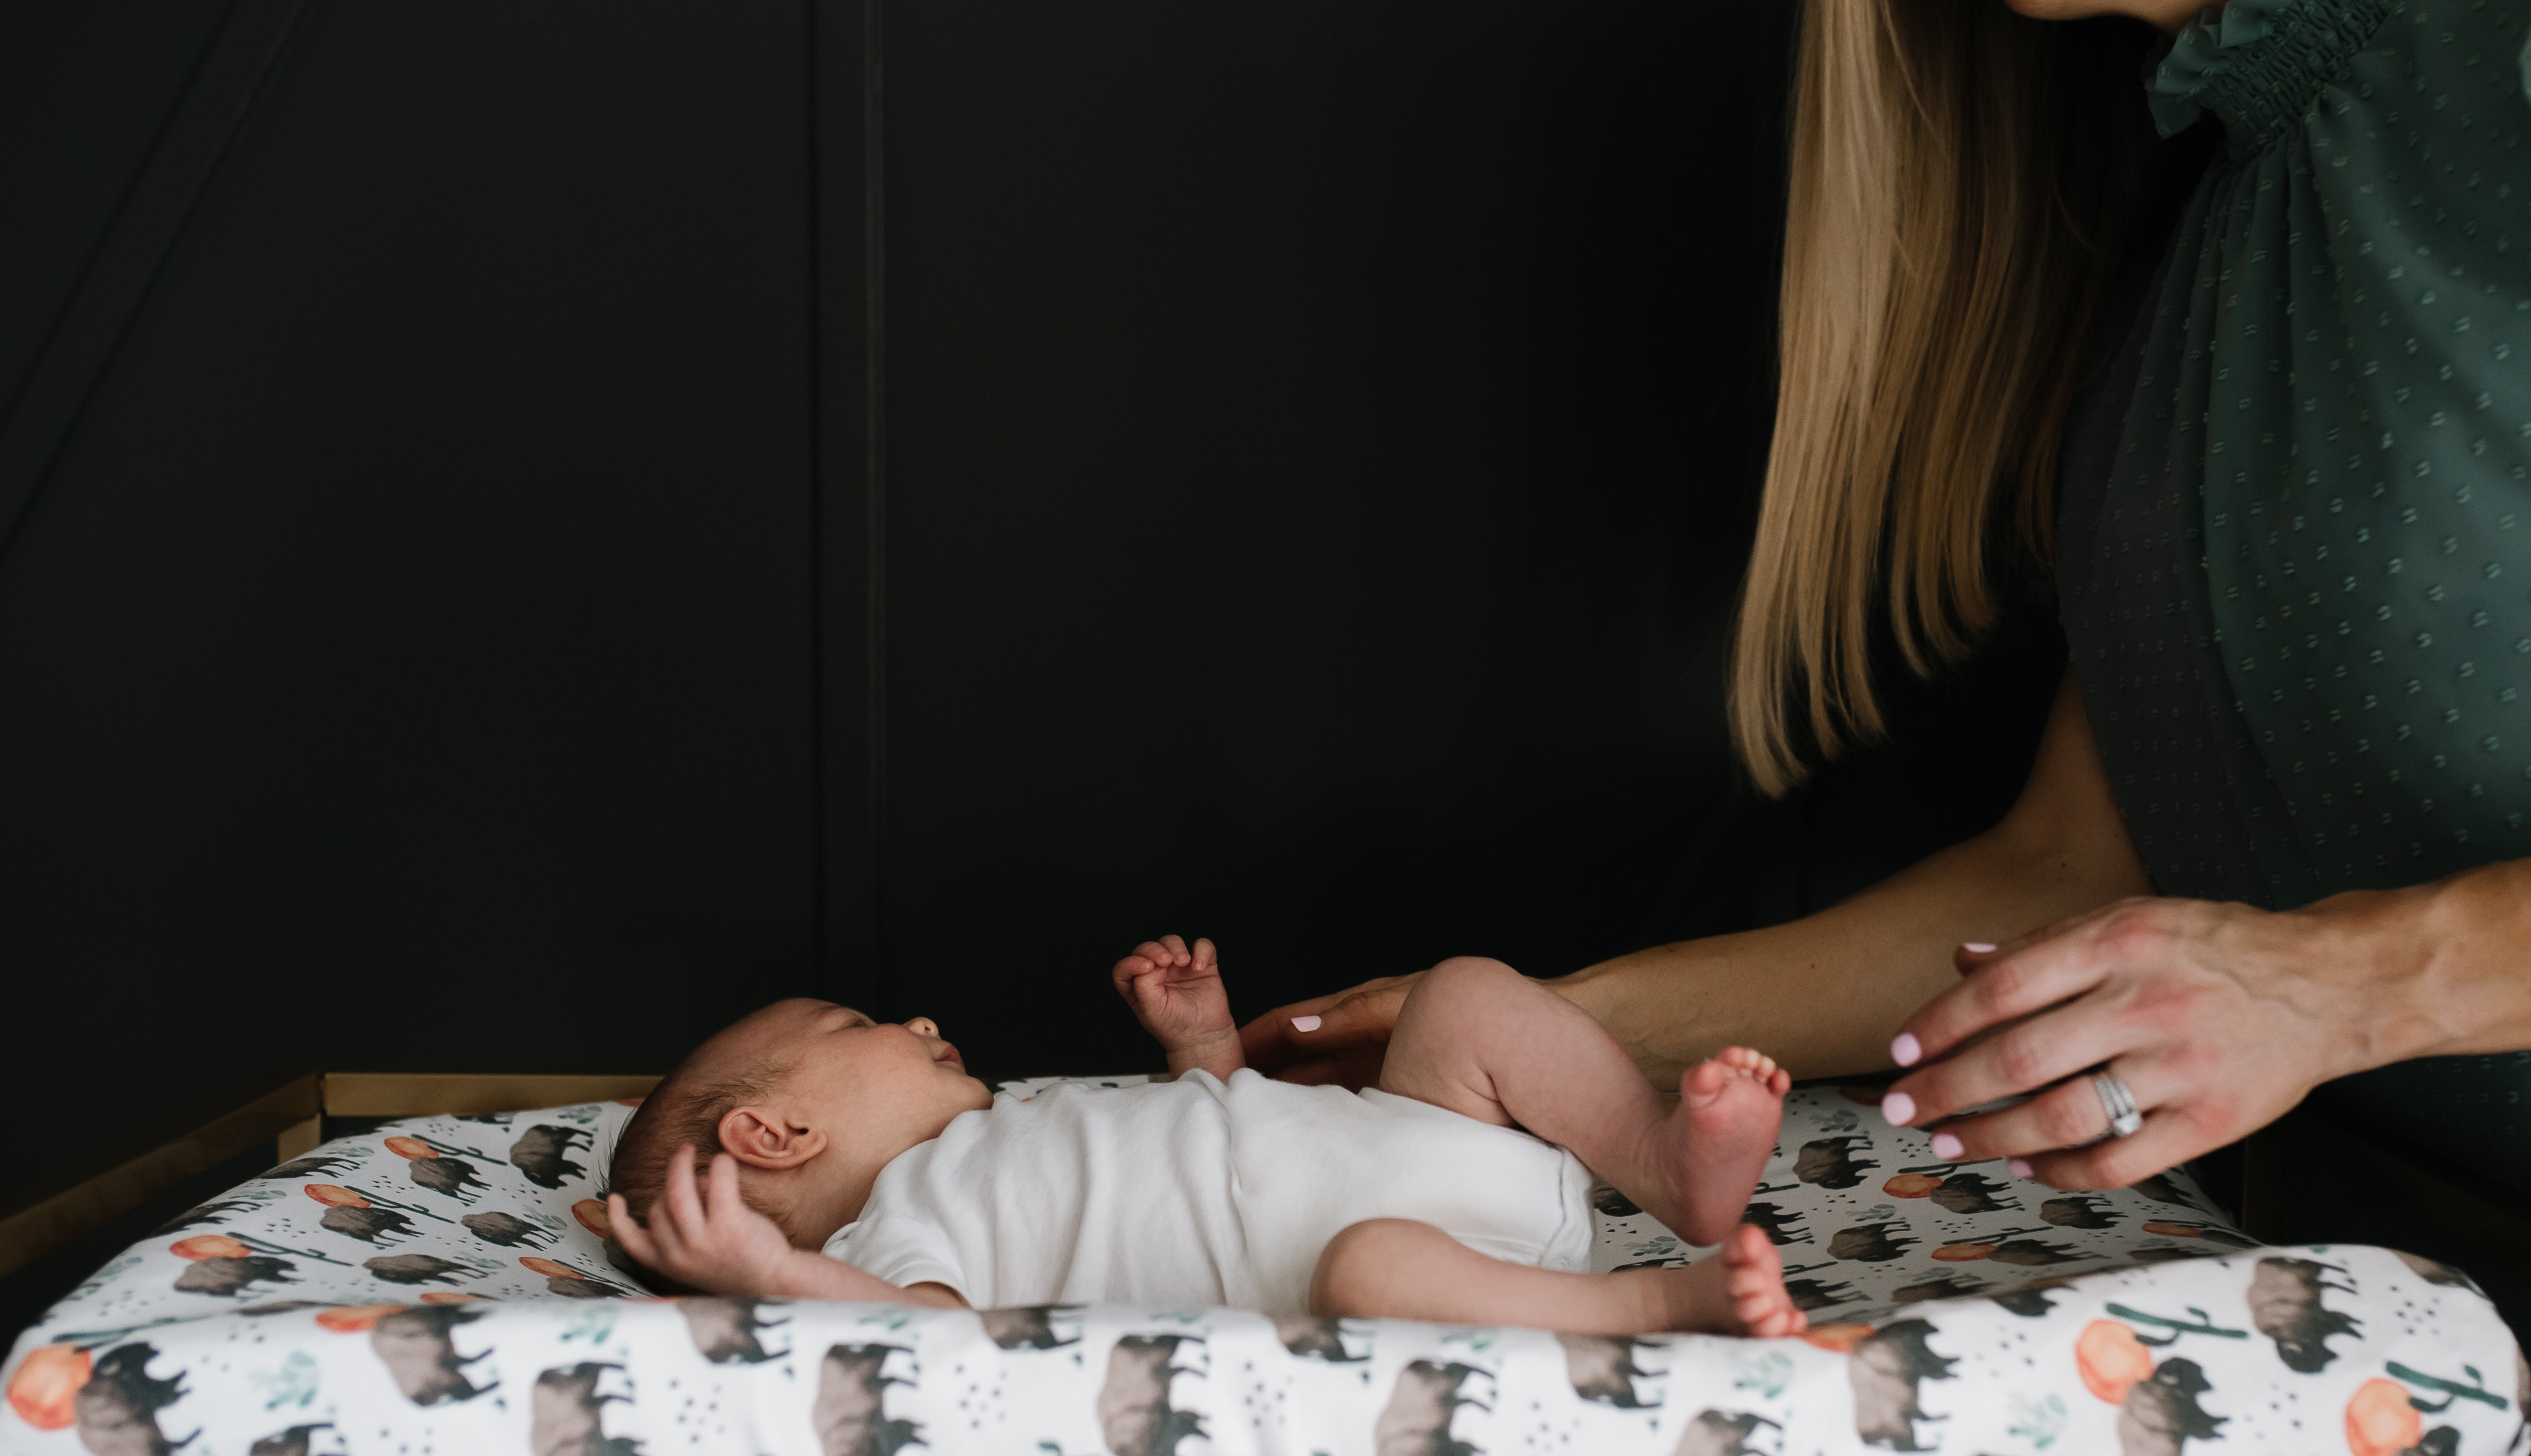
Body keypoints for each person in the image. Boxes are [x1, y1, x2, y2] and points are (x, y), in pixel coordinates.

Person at [1242, 0, 2531, 1192]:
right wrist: (1532, 1036)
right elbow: (2068, 878)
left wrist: (2352, 982)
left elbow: (2255, 968)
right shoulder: (2204, 264)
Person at [602, 937, 1805, 1337]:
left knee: (1463, 994)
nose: (914, 1022)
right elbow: (929, 1338)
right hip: (1436, 1266)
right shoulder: (896, 1231)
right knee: (1364, 1268)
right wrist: (774, 1277)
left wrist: (1203, 1047)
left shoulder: (1018, 1119)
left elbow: (1214, 1142)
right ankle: (1657, 1305)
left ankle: (1665, 1163)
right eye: (853, 1027)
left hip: (1427, 1130)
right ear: (776, 1135)